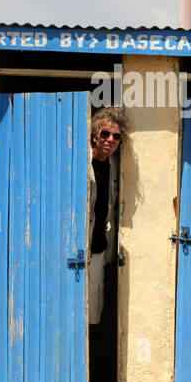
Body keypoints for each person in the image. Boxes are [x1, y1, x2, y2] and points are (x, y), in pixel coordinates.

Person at [86, 107, 125, 328]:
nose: (110, 140)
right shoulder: (81, 163)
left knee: (94, 307)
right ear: (94, 135)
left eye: (116, 136)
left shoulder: (115, 165)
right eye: (105, 134)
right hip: (76, 248)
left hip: (99, 247)